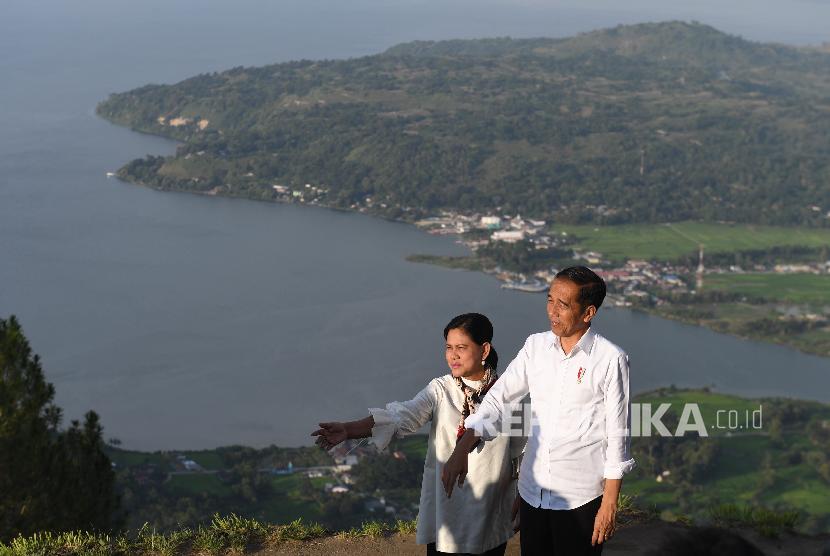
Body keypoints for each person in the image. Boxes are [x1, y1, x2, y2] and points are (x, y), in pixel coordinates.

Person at [442, 267, 635, 555]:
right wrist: (464, 446)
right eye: (549, 300)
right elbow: (499, 398)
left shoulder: (610, 359)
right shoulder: (536, 347)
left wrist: (609, 504)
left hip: (580, 497)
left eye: (563, 304)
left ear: (588, 313)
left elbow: (617, 434)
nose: (552, 311)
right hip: (534, 493)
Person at [312, 313, 524, 555]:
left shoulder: (509, 394)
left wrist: (524, 500)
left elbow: (522, 454)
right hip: (448, 512)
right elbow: (401, 415)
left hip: (490, 512)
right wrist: (349, 429)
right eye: (448, 348)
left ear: (484, 350)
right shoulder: (441, 389)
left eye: (461, 348)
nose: (452, 355)